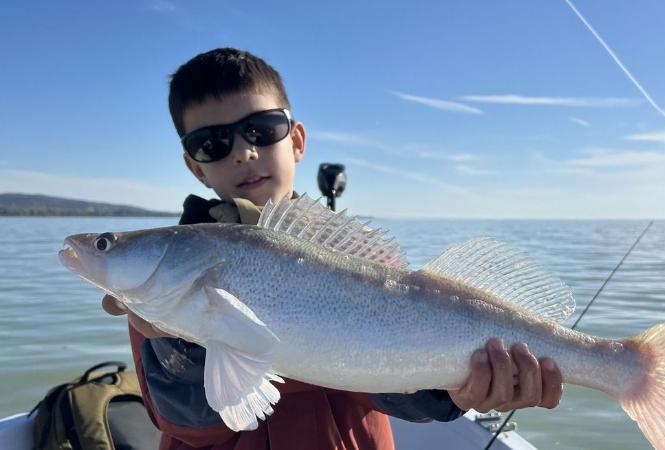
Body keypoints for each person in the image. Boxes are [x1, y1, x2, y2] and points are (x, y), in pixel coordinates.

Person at [101, 47, 563, 450]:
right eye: (212, 143)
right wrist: (182, 343)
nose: (243, 152)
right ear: (195, 168)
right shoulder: (170, 272)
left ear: (297, 140)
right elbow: (184, 422)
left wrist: (455, 393)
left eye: (261, 129)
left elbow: (394, 390)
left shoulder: (352, 261)